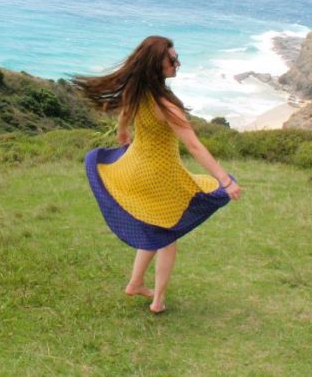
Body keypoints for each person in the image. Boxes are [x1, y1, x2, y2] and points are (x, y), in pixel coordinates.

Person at [75, 35, 242, 314]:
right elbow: (193, 145)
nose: (178, 63)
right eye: (172, 59)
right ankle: (158, 301)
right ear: (156, 64)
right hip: (160, 177)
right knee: (168, 236)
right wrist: (225, 181)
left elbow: (125, 116)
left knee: (155, 227)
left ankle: (136, 283)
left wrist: (123, 134)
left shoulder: (136, 89)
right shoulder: (165, 105)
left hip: (134, 168)